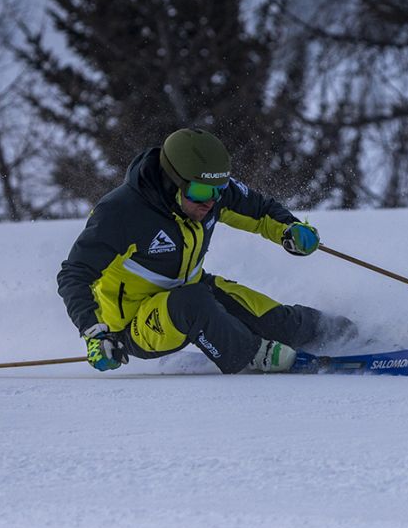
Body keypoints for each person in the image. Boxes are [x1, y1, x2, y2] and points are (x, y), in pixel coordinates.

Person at [57, 128, 351, 374]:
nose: (210, 202)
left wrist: (290, 229)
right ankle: (254, 353)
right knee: (192, 303)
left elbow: (260, 211)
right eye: (200, 192)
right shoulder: (122, 213)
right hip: (135, 325)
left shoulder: (209, 191)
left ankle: (350, 333)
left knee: (277, 322)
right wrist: (96, 334)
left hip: (194, 290)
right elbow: (74, 274)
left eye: (218, 190)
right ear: (173, 182)